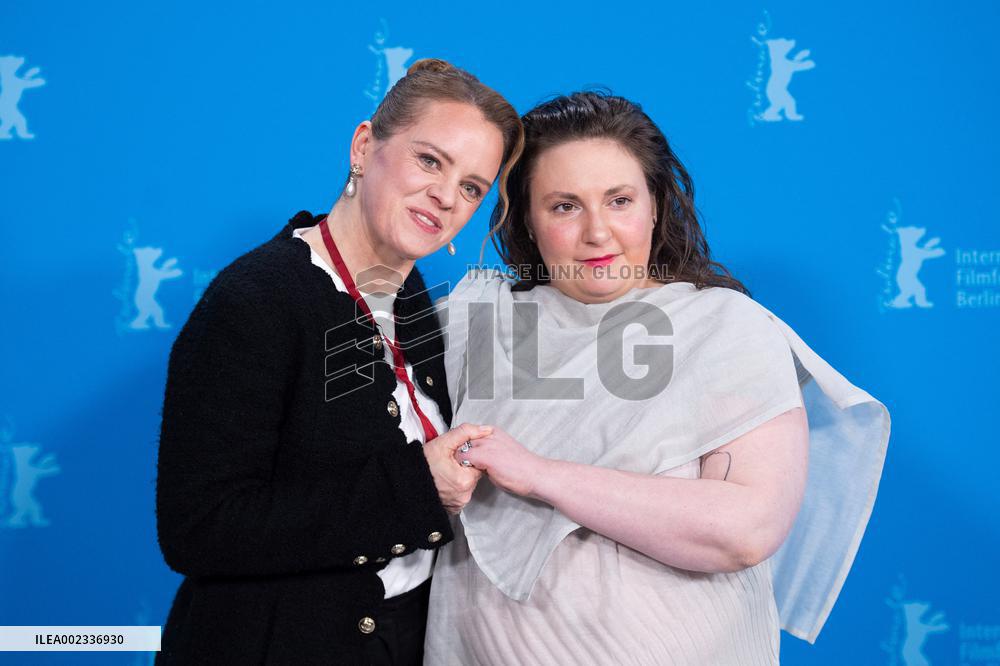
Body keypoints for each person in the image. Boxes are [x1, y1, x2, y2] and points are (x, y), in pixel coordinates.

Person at [424, 92, 891, 664]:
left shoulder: (725, 327)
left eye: (619, 200)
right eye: (564, 206)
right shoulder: (470, 324)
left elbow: (745, 528)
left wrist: (541, 475)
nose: (598, 233)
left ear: (655, 205)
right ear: (525, 217)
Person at [154, 59, 522, 665]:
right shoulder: (257, 299)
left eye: (472, 187)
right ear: (363, 145)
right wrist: (415, 488)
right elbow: (199, 527)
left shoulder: (411, 299)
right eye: (430, 160)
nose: (445, 196)